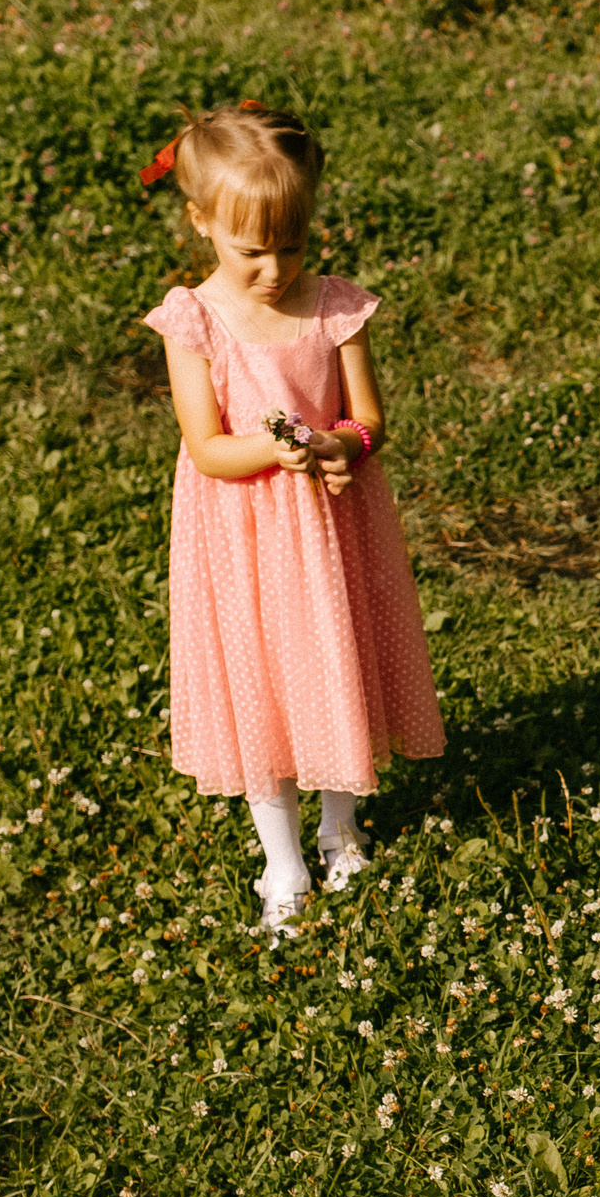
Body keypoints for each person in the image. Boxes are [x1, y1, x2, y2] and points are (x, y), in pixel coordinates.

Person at [138, 101, 443, 933]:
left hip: (330, 528)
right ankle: (284, 860)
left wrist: (342, 446)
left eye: (292, 245)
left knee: (336, 665)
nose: (275, 268)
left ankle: (342, 826)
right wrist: (277, 450)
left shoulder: (335, 306)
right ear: (202, 223)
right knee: (261, 689)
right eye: (252, 250)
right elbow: (205, 446)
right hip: (242, 540)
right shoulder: (193, 319)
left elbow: (368, 418)